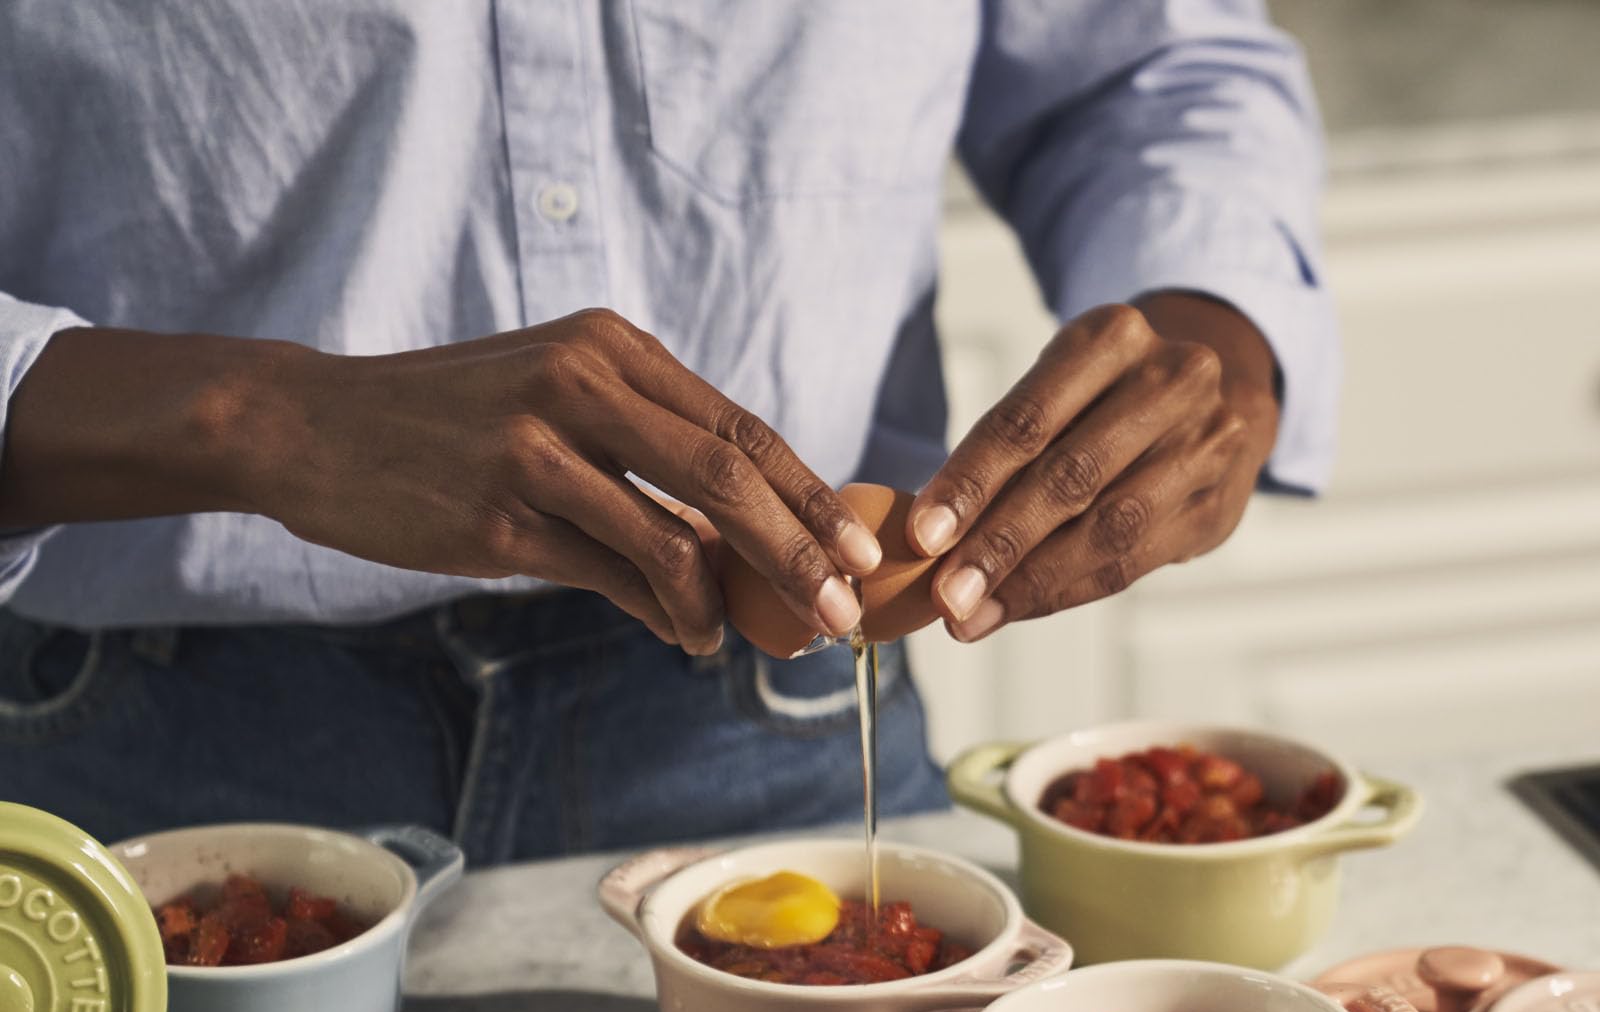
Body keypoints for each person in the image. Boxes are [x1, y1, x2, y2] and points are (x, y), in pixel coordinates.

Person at [0, 2, 1335, 864]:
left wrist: (1216, 321)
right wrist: (252, 419)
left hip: (781, 718)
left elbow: (1144, 63)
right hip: (127, 743)